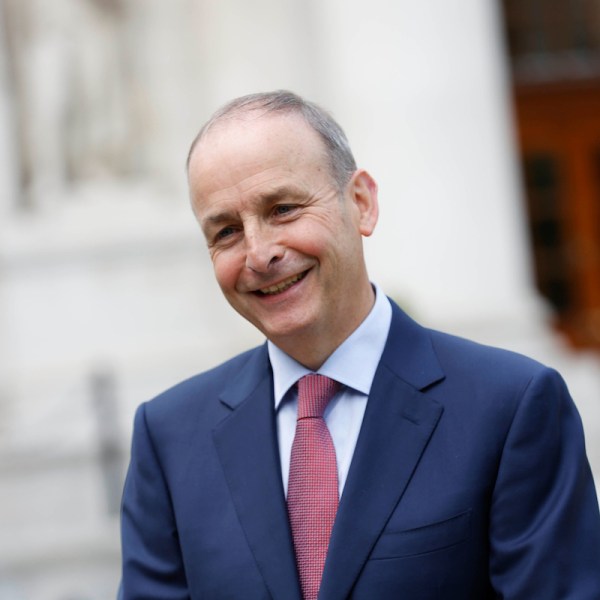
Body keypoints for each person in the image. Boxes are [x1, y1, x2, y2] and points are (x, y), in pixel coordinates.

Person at [118, 90, 600, 599]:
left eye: (282, 208)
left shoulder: (510, 406)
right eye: (227, 231)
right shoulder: (168, 437)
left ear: (362, 204)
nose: (259, 254)